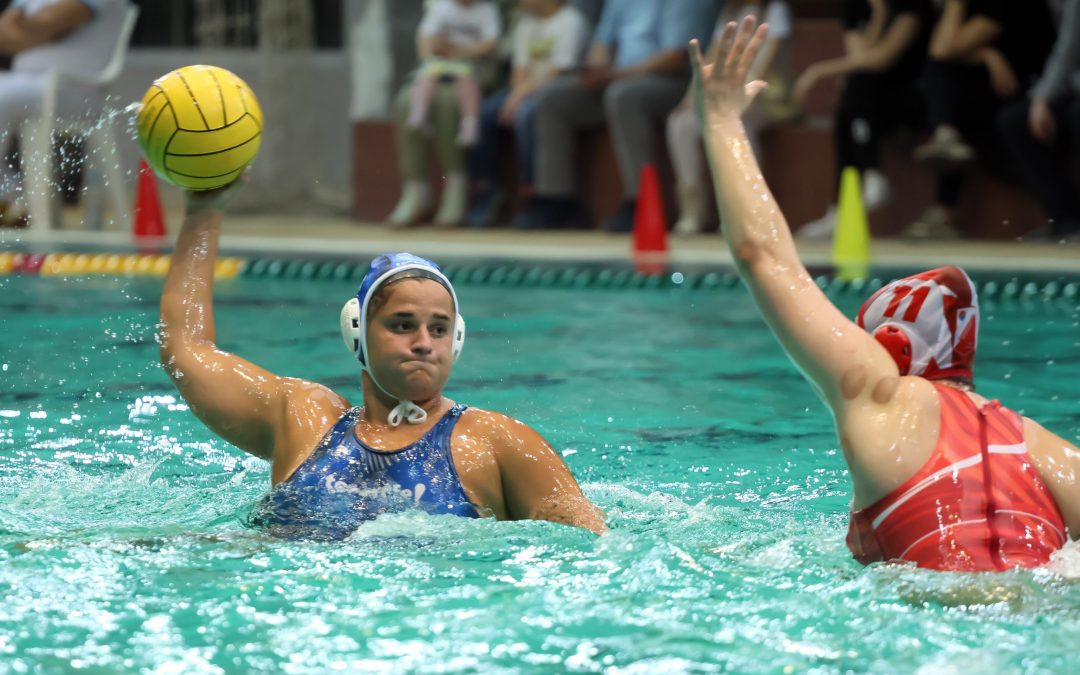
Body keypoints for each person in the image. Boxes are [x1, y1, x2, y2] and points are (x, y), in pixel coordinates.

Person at [695, 18, 1080, 571]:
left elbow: (764, 256)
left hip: (939, 608)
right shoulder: (1048, 451)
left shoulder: (883, 396)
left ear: (891, 347)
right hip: (1043, 606)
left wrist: (721, 120)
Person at [159, 183, 607, 540]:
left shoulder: (498, 442)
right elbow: (186, 349)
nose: (424, 343)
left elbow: (594, 548)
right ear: (356, 331)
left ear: (457, 339)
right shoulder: (304, 420)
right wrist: (203, 212)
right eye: (402, 324)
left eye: (439, 329)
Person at [513, 0, 721, 232]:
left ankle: (640, 201)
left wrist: (618, 75)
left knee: (623, 96)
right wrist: (597, 70)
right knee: (553, 97)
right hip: (618, 77)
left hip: (672, 82)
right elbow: (602, 44)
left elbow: (676, 57)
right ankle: (557, 201)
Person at [905, 0, 1056, 238]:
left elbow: (945, 50)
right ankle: (946, 140)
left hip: (1031, 90)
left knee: (945, 87)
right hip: (989, 95)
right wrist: (986, 54)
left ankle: (945, 201)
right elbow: (938, 53)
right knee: (940, 87)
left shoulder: (1000, 4)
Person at [794, 0, 935, 241]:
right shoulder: (858, 6)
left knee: (857, 90)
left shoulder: (912, 7)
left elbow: (881, 59)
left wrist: (817, 72)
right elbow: (860, 56)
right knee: (851, 101)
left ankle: (862, 185)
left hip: (913, 99)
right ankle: (858, 189)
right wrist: (878, 15)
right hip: (868, 104)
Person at [665, 0, 793, 236]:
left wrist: (740, 97)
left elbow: (766, 63)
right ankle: (693, 208)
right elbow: (710, 60)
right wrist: (690, 99)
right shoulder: (731, 13)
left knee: (738, 125)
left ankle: (744, 209)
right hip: (727, 95)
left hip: (764, 95)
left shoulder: (775, 10)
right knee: (680, 123)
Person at [0, 0, 123, 228]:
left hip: (74, 91)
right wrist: (45, 33)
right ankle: (13, 197)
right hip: (26, 87)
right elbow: (4, 34)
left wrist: (24, 27)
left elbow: (59, 17)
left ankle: (12, 199)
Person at [467, 0, 589, 229]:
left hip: (553, 89)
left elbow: (560, 69)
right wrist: (516, 95)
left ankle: (531, 192)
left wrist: (518, 97)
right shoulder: (525, 24)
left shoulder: (571, 20)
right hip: (523, 90)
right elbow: (519, 68)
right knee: (483, 114)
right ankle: (486, 191)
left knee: (527, 115)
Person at [386, 0, 502, 229]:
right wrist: (435, 54)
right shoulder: (440, 7)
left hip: (471, 74)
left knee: (449, 104)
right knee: (406, 102)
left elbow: (491, 45)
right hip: (437, 68)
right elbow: (425, 40)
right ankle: (416, 190)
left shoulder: (488, 10)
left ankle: (455, 187)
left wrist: (459, 51)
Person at [998, 0, 1080, 241]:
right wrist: (1041, 98)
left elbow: (1070, 47)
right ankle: (1067, 220)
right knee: (1015, 121)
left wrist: (1043, 97)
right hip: (1070, 89)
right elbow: (1064, 49)